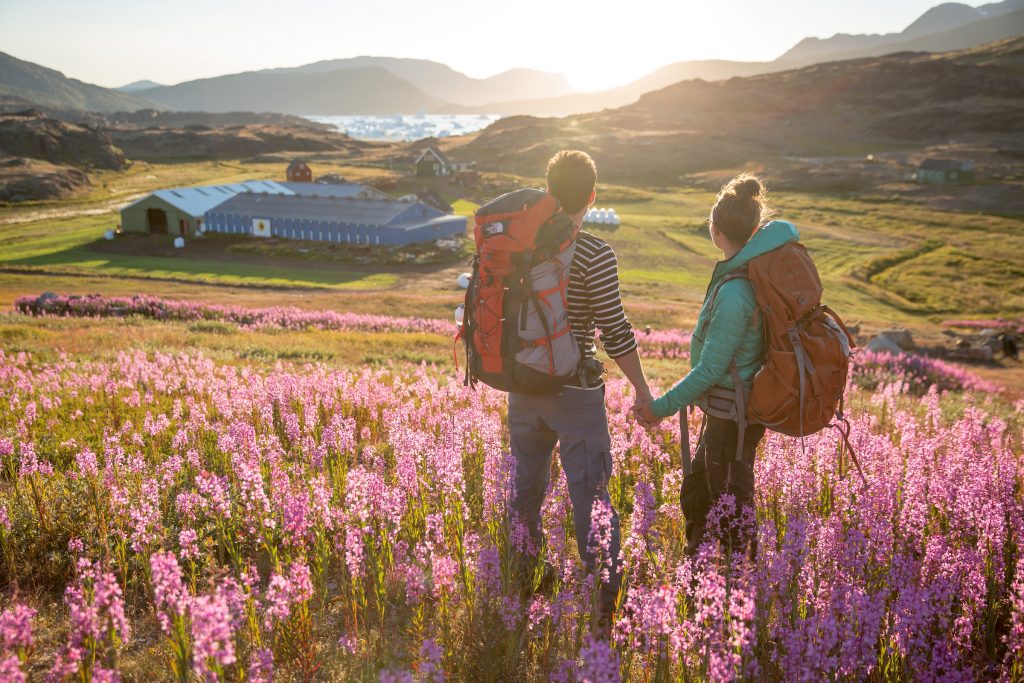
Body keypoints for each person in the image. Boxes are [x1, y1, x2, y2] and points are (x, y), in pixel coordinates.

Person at [508, 150, 653, 633]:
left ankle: (522, 577)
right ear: (591, 196)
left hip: (522, 388)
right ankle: (604, 603)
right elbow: (614, 329)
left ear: (549, 190)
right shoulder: (595, 253)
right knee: (590, 494)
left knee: (526, 489)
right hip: (575, 392)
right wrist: (642, 389)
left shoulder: (518, 246)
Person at [634, 174, 799, 556]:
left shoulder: (736, 291)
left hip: (731, 416)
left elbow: (711, 370)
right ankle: (715, 576)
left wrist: (658, 409)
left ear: (715, 228)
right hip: (730, 411)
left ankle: (733, 584)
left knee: (730, 507)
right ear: (755, 229)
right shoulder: (745, 273)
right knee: (714, 497)